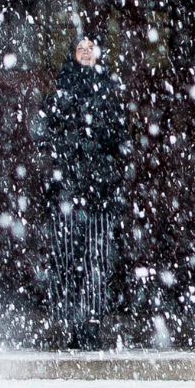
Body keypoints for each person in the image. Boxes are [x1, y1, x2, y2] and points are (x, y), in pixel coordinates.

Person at [37, 35, 129, 351]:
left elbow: (118, 135)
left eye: (91, 49)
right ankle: (73, 321)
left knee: (96, 258)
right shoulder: (59, 95)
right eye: (81, 49)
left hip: (98, 192)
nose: (87, 54)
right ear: (72, 54)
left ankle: (91, 322)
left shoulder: (107, 92)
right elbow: (48, 136)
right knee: (66, 257)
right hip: (67, 190)